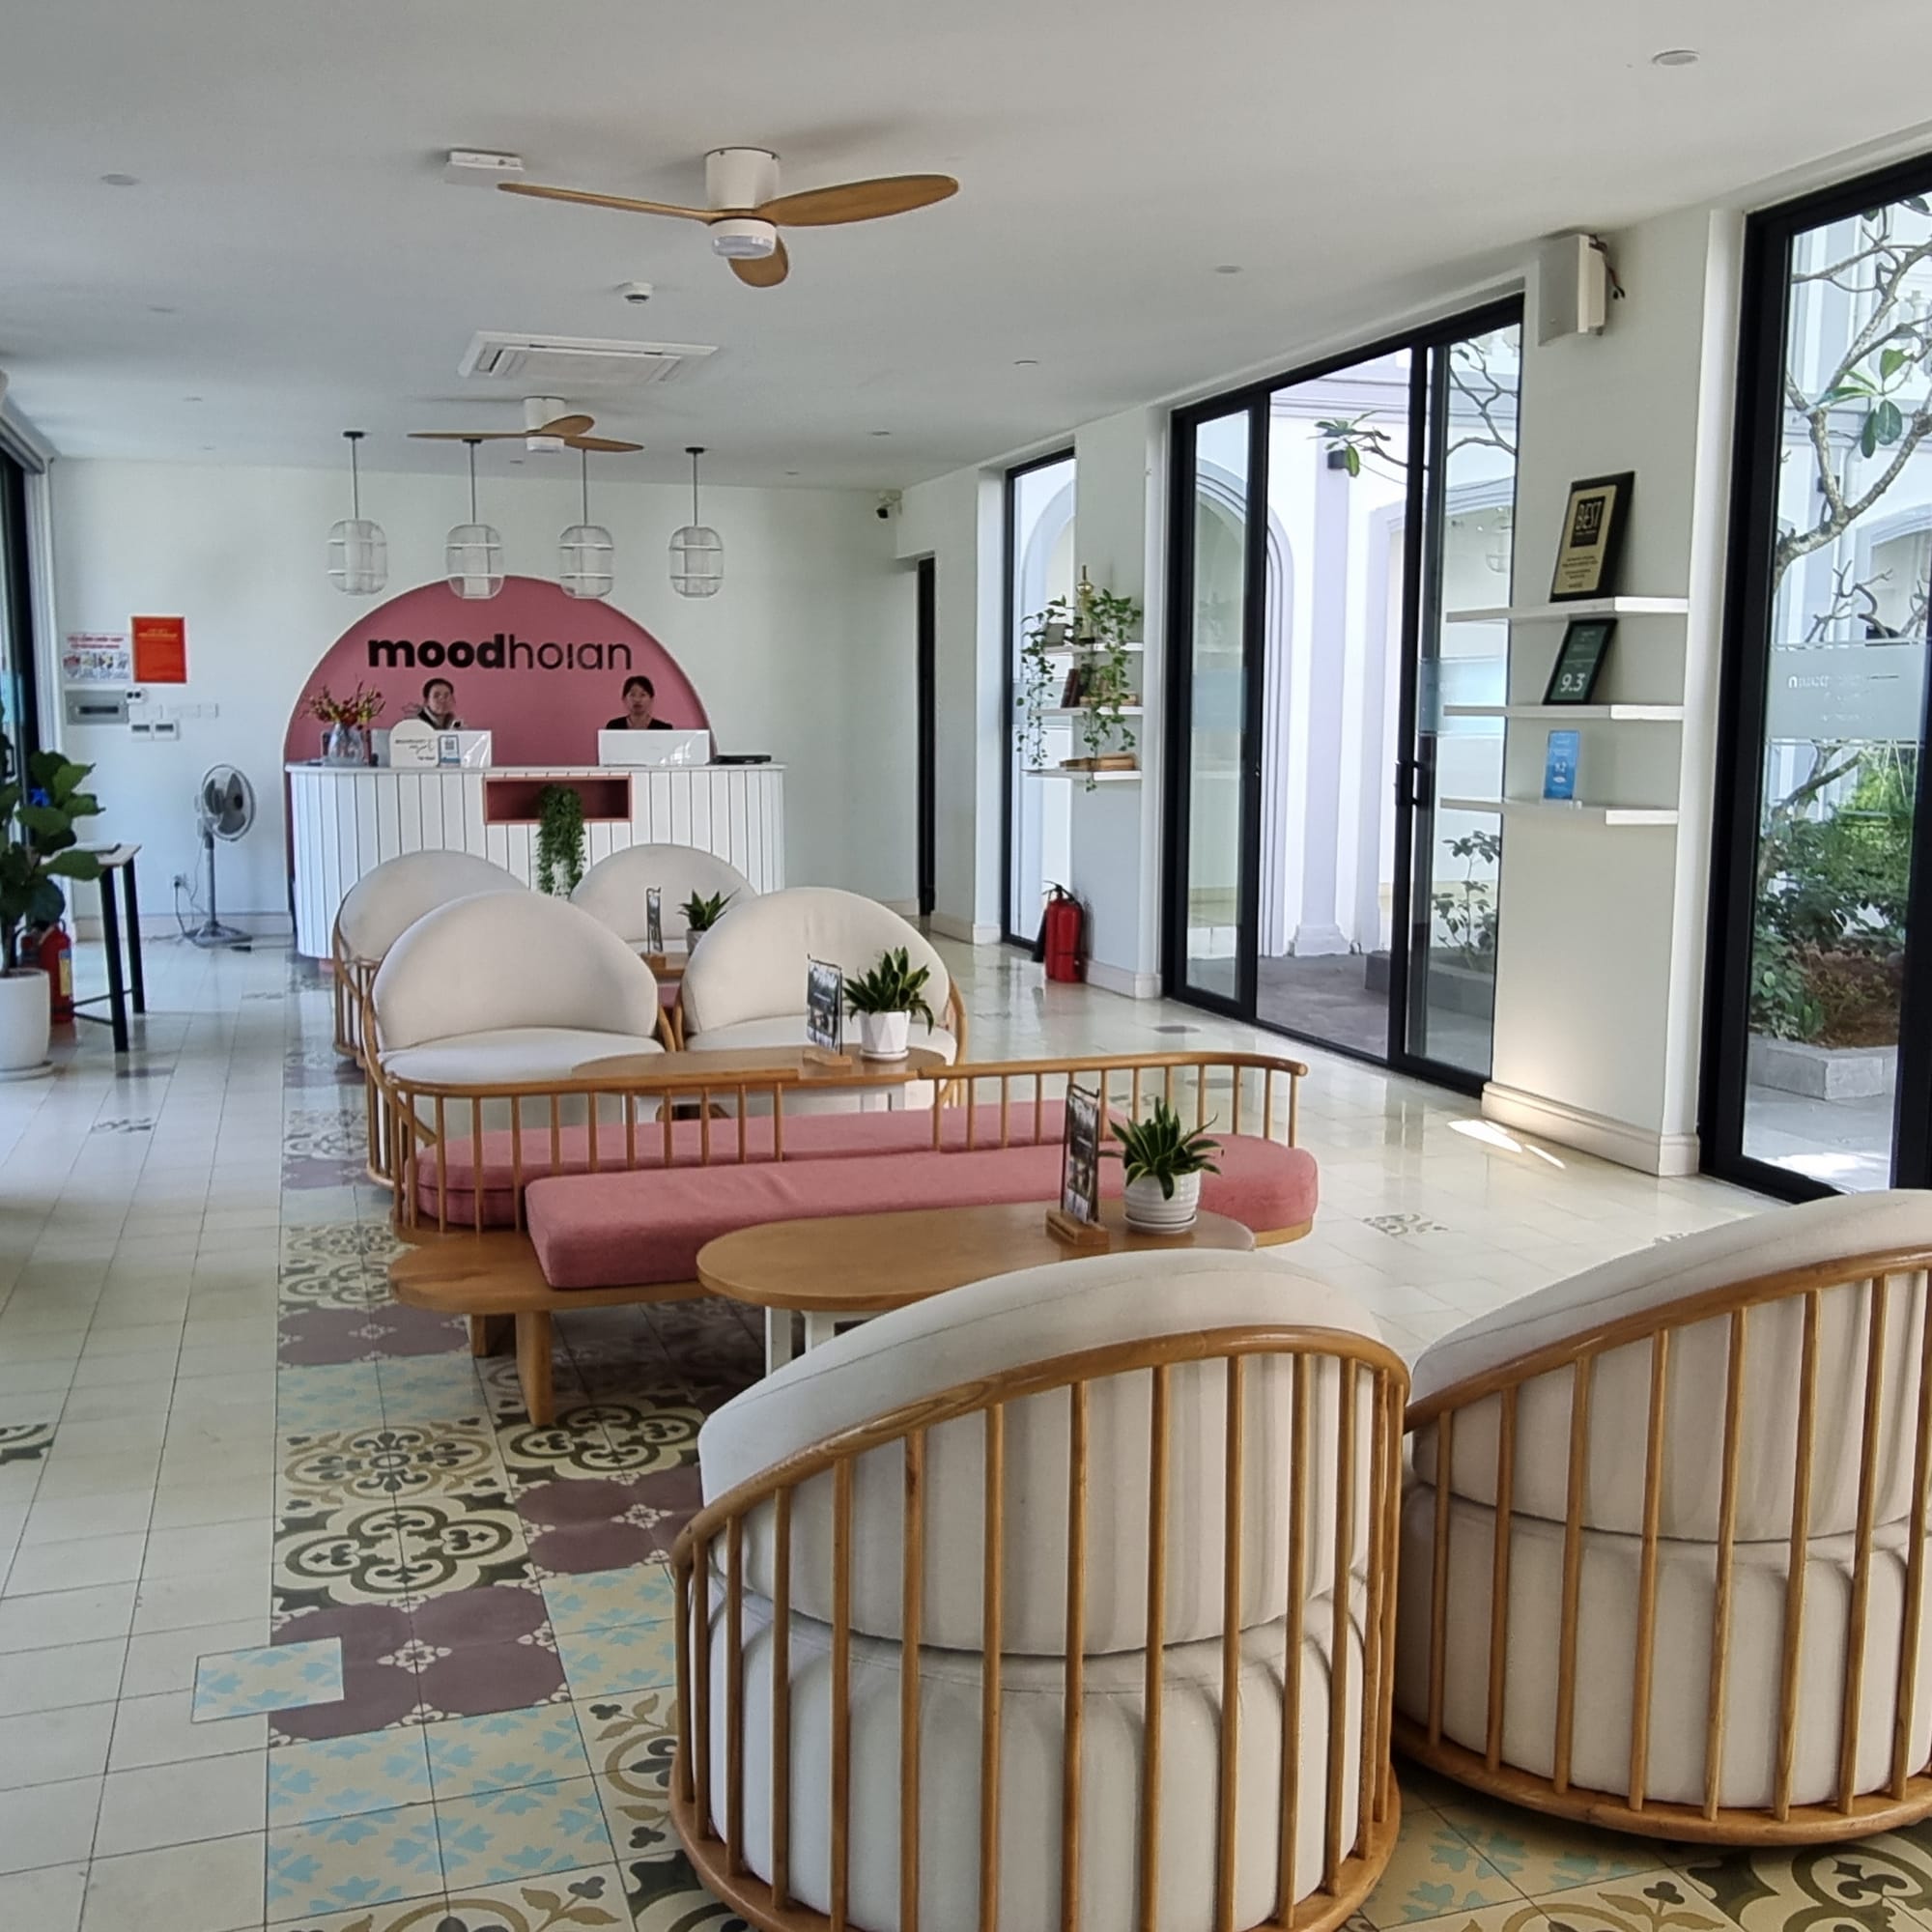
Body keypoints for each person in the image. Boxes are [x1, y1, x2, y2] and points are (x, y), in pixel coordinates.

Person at [605, 673, 673, 731]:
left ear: (651, 699)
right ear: (624, 699)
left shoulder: (664, 729)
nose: (637, 700)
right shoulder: (613, 727)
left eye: (642, 695)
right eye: (632, 695)